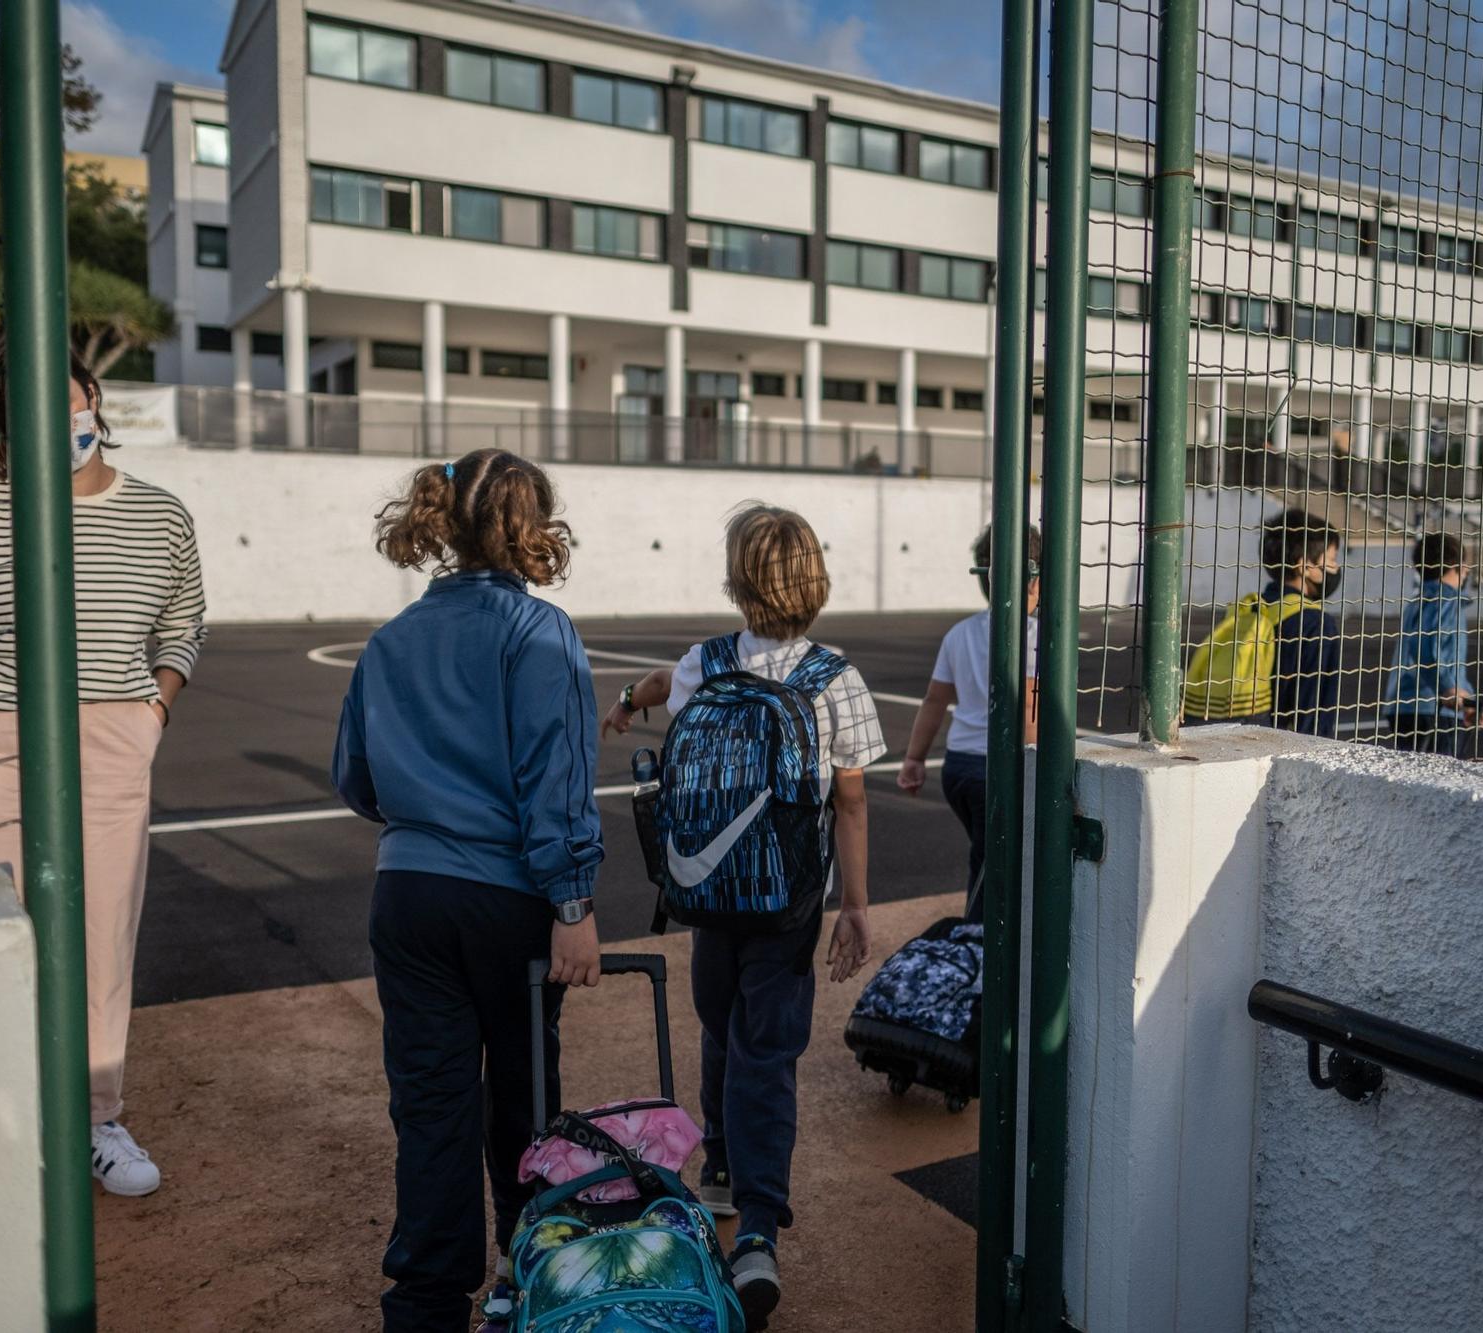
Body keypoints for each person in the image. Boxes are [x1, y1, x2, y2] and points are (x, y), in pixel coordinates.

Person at [330, 448, 604, 1333]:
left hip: (406, 897)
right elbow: (555, 782)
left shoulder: (390, 638)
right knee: (524, 1097)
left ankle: (423, 1305)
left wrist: (423, 808)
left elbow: (355, 779)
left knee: (431, 1102)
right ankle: (528, 1280)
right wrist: (574, 905)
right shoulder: (538, 633)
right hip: (508, 899)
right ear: (533, 527)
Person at [0, 339, 206, 1198]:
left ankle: (94, 1115)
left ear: (93, 398)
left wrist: (150, 713)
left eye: (69, 396)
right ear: (0, 425)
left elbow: (183, 623)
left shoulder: (161, 516)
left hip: (110, 741)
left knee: (99, 935)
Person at [601, 503, 882, 1329]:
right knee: (770, 1050)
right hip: (788, 906)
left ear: (735, 583)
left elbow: (659, 684)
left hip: (707, 895)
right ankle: (757, 1227)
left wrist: (625, 700)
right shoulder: (835, 680)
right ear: (817, 583)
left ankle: (720, 1163)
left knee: (719, 1025)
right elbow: (853, 807)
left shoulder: (703, 662)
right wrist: (855, 907)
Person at [895, 524, 1042, 913]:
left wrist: (914, 759)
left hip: (959, 767)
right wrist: (1034, 771)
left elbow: (934, 701)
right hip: (999, 770)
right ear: (1035, 580)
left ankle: (983, 936)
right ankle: (981, 944)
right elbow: (1028, 709)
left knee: (986, 853)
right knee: (996, 866)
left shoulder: (959, 634)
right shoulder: (1033, 636)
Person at [1182, 508, 1344, 738]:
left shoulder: (1251, 609)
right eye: (1331, 560)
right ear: (1305, 566)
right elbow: (1314, 713)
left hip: (1239, 734)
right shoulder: (1315, 623)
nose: (1335, 568)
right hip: (1282, 742)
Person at [1381, 532, 1481, 758]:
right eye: (1465, 565)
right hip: (1435, 708)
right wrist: (1450, 689)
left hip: (1405, 704)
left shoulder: (1418, 602)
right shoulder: (1446, 601)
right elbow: (1425, 647)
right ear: (1456, 566)